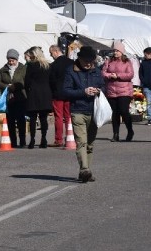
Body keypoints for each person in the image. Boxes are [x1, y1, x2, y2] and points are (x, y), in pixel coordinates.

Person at [62, 45, 105, 183]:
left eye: (90, 61)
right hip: (78, 111)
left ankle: (87, 171)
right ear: (79, 58)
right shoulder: (71, 71)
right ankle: (84, 169)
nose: (88, 64)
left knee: (90, 144)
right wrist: (83, 92)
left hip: (94, 111)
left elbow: (103, 87)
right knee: (81, 142)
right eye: (85, 61)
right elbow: (65, 91)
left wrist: (98, 91)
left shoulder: (97, 71)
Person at [103, 40, 135, 142]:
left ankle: (130, 130)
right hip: (112, 90)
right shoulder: (109, 61)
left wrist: (118, 76)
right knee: (115, 113)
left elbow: (130, 74)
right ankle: (115, 134)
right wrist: (109, 75)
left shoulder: (127, 62)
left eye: (117, 51)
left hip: (124, 90)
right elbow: (103, 72)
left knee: (124, 111)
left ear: (122, 51)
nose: (115, 52)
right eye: (114, 50)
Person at [0, 48, 27, 148]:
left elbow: (25, 82)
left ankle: (22, 141)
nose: (11, 62)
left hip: (21, 97)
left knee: (21, 120)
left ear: (17, 60)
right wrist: (7, 86)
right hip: (9, 99)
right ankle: (13, 141)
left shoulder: (23, 68)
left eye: (13, 60)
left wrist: (16, 86)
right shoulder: (3, 69)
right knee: (10, 121)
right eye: (9, 60)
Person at [23, 46, 52, 148]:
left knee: (32, 118)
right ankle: (43, 139)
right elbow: (51, 81)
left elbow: (27, 82)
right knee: (43, 118)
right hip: (46, 94)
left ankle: (32, 140)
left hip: (34, 93)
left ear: (34, 54)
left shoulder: (31, 66)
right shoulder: (48, 65)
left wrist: (28, 91)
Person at [48, 44, 73, 147]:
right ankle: (70, 137)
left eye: (51, 53)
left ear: (55, 51)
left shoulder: (53, 65)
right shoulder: (71, 63)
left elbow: (51, 81)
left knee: (59, 117)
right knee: (68, 116)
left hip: (57, 94)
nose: (51, 55)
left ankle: (58, 140)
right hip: (69, 93)